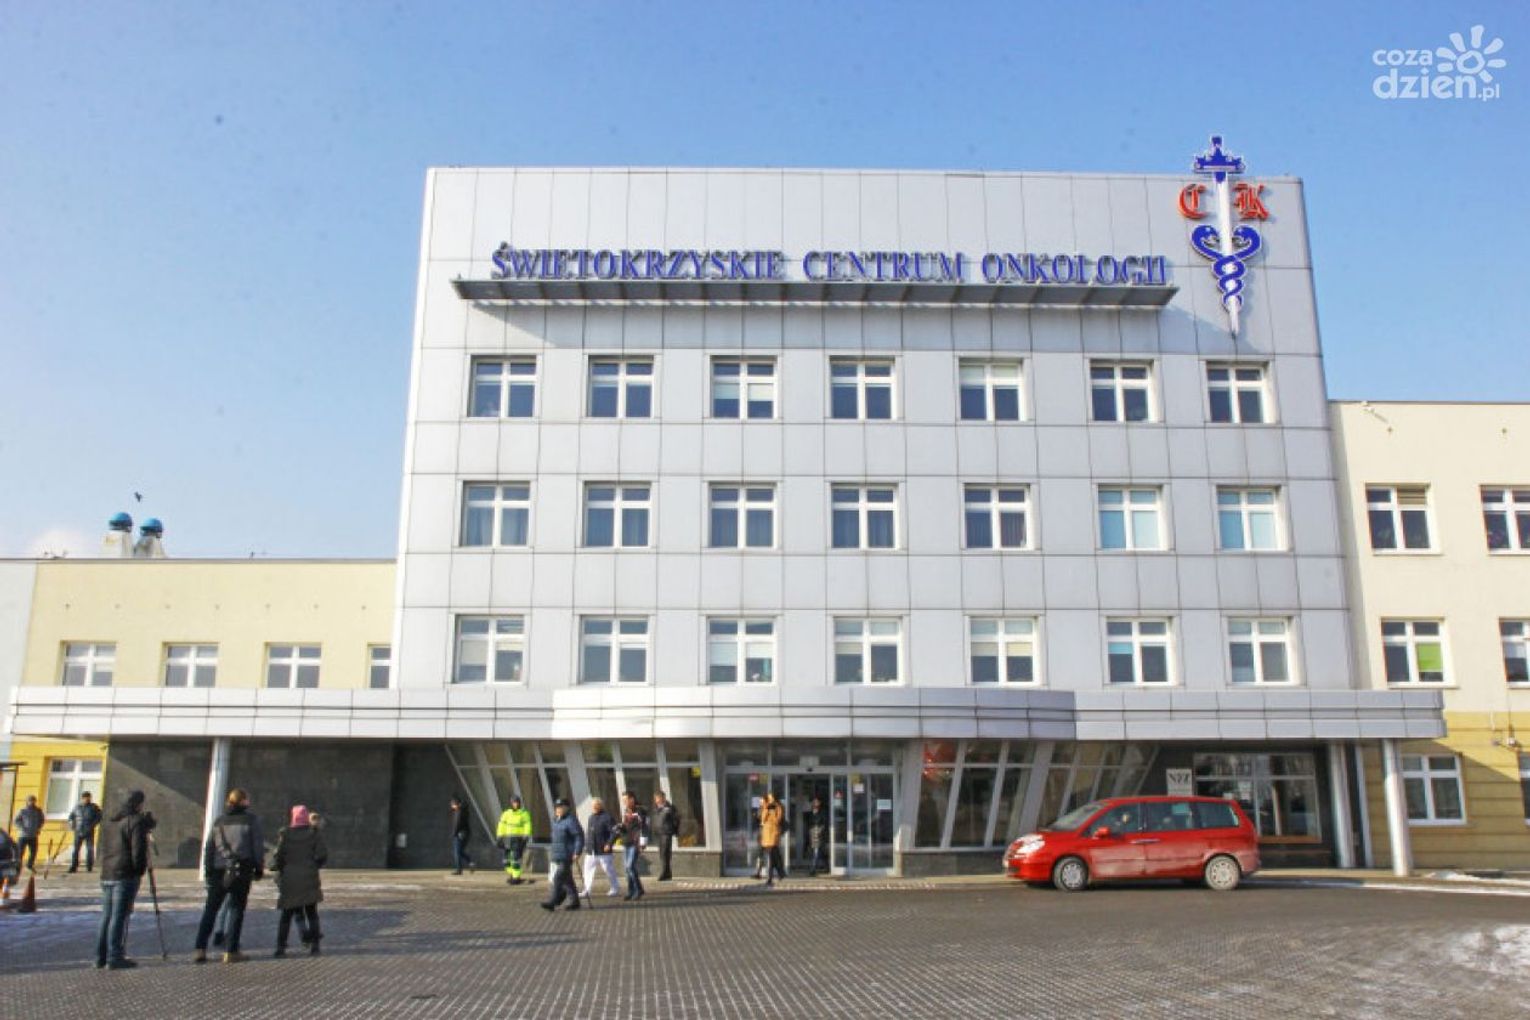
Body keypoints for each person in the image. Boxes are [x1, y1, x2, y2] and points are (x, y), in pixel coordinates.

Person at [194, 788, 265, 964]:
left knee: (211, 909)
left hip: (219, 870)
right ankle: (231, 950)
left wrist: (208, 869)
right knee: (236, 909)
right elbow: (257, 846)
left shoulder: (219, 821)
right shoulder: (251, 820)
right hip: (241, 869)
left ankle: (200, 948)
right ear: (243, 801)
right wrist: (258, 868)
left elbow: (210, 847)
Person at [95, 790, 151, 970]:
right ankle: (114, 956)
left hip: (108, 873)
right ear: (138, 804)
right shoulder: (135, 822)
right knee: (119, 916)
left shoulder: (111, 821)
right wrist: (139, 871)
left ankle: (100, 956)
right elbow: (138, 851)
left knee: (107, 916)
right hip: (125, 874)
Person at [271, 804, 327, 958]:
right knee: (312, 913)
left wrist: (283, 869)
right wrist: (314, 866)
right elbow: (322, 855)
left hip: (290, 878)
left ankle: (280, 948)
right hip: (309, 876)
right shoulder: (313, 834)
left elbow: (278, 856)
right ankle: (315, 947)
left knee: (286, 915)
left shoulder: (285, 834)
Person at [539, 798, 583, 912]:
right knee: (567, 880)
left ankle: (553, 901)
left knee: (558, 878)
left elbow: (579, 836)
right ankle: (575, 901)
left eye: (561, 807)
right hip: (557, 855)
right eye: (557, 807)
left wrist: (577, 851)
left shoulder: (571, 820)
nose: (558, 809)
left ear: (566, 808)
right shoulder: (555, 821)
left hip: (567, 855)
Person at [581, 799, 620, 898]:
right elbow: (589, 833)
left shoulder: (607, 818)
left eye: (596, 805)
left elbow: (615, 832)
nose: (593, 807)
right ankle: (587, 890)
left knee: (608, 870)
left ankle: (615, 888)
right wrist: (587, 845)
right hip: (591, 850)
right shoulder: (591, 818)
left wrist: (609, 844)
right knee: (587, 870)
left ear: (600, 806)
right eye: (593, 806)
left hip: (603, 850)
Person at [615, 791, 646, 902]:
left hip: (635, 843)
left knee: (630, 866)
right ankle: (631, 891)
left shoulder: (639, 811)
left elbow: (644, 827)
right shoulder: (626, 811)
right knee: (627, 869)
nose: (624, 802)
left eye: (626, 800)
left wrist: (643, 843)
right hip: (626, 842)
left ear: (632, 799)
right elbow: (626, 826)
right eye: (623, 800)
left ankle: (638, 890)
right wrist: (620, 827)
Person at [496, 795, 532, 885]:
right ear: (511, 803)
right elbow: (501, 825)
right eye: (514, 802)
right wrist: (499, 837)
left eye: (517, 802)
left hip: (518, 839)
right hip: (507, 839)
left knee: (516, 858)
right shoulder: (506, 814)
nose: (516, 804)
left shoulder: (524, 814)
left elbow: (527, 826)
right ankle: (512, 874)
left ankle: (516, 877)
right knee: (506, 860)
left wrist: (525, 837)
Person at [67, 791, 104, 874]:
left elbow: (99, 816)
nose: (87, 799)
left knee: (90, 849)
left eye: (88, 798)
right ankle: (73, 866)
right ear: (82, 798)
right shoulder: (77, 807)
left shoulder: (94, 807)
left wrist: (93, 825)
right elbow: (71, 817)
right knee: (76, 849)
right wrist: (72, 825)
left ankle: (89, 866)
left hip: (89, 831)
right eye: (85, 798)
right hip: (78, 831)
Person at [758, 791, 786, 887]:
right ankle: (781, 873)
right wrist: (766, 809)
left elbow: (778, 820)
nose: (770, 800)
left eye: (771, 798)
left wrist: (772, 812)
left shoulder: (778, 807)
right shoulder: (765, 807)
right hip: (766, 835)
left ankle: (770, 878)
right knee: (775, 856)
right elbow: (762, 819)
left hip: (773, 834)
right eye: (769, 798)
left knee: (770, 857)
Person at [651, 790, 680, 881]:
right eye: (655, 798)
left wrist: (674, 830)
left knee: (665, 853)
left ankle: (664, 873)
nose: (656, 800)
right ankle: (668, 873)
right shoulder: (656, 808)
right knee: (662, 853)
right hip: (659, 833)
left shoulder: (670, 808)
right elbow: (655, 819)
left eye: (657, 798)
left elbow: (676, 820)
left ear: (662, 798)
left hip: (666, 832)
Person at [13, 795, 43, 872]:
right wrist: (22, 827)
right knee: (20, 852)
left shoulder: (38, 811)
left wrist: (38, 828)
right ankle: (17, 867)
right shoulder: (22, 811)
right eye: (30, 801)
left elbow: (41, 820)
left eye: (33, 801)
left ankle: (29, 865)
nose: (32, 802)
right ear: (27, 802)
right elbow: (16, 821)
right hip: (23, 835)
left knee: (33, 852)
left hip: (33, 835)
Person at [803, 796, 830, 876]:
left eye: (816, 802)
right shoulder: (810, 813)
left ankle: (813, 869)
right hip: (812, 833)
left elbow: (824, 823)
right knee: (819, 851)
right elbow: (808, 822)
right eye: (814, 802)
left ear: (819, 803)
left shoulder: (822, 812)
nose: (815, 803)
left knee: (817, 851)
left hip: (819, 833)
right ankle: (826, 866)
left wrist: (820, 830)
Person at [449, 794, 475, 875]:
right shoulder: (464, 810)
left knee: (457, 852)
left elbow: (457, 824)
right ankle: (470, 862)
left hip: (459, 834)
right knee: (460, 851)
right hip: (466, 833)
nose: (451, 806)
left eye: (452, 804)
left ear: (455, 804)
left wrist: (454, 833)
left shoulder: (459, 811)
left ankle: (459, 870)